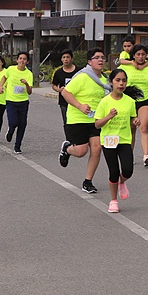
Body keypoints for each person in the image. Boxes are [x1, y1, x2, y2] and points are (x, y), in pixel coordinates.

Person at [58, 48, 110, 193]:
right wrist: (80, 106)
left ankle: (88, 181)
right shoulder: (82, 77)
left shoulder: (105, 80)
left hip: (95, 120)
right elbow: (65, 92)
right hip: (77, 119)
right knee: (81, 151)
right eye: (97, 57)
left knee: (97, 148)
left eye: (102, 57)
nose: (101, 60)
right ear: (89, 62)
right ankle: (67, 149)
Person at [94, 69, 142, 213]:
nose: (121, 84)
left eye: (124, 81)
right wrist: (108, 116)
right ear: (111, 82)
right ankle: (113, 200)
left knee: (128, 170)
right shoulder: (104, 102)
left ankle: (123, 181)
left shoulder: (130, 102)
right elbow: (97, 124)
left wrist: (136, 121)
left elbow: (133, 119)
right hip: (108, 140)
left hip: (124, 140)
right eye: (118, 80)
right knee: (113, 171)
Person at [119, 44, 148, 167]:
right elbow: (118, 79)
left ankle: (146, 156)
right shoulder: (125, 67)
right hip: (130, 101)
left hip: (145, 100)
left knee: (144, 127)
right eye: (138, 54)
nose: (141, 57)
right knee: (131, 129)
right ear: (133, 56)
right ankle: (129, 155)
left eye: (143, 54)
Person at [0, 51, 33, 154]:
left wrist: (26, 84)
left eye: (24, 59)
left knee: (22, 124)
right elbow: (4, 77)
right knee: (14, 122)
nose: (22, 60)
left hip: (23, 102)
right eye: (20, 58)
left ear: (27, 62)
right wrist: (1, 86)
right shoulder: (11, 69)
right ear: (17, 60)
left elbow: (30, 92)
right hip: (11, 101)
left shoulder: (29, 74)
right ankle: (10, 131)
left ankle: (17, 146)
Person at [51, 49, 80, 126]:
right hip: (64, 101)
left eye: (68, 57)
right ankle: (68, 137)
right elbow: (54, 85)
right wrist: (59, 90)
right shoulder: (58, 72)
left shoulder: (79, 71)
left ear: (72, 59)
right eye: (63, 57)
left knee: (77, 121)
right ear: (61, 59)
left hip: (78, 100)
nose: (66, 59)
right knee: (66, 121)